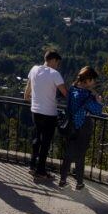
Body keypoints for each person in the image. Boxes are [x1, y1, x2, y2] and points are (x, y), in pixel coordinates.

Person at [24, 50, 68, 179]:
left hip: (35, 110)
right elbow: (65, 92)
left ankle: (32, 165)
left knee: (37, 138)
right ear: (53, 60)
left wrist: (27, 97)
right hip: (49, 113)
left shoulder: (34, 69)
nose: (58, 65)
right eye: (57, 62)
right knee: (46, 142)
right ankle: (41, 170)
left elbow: (28, 89)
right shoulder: (55, 74)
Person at [58, 66, 103, 189]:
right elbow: (97, 111)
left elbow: (68, 106)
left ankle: (62, 180)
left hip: (71, 124)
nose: (94, 83)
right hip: (83, 126)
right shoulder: (87, 95)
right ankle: (79, 182)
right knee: (80, 154)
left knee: (68, 153)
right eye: (93, 80)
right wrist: (98, 100)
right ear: (88, 80)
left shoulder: (72, 89)